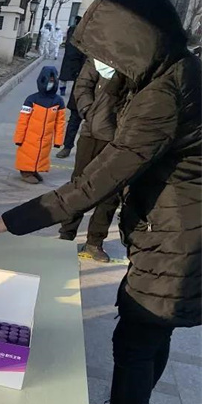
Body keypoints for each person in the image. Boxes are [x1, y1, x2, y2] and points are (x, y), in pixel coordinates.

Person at [0, 0, 201, 404]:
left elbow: (99, 178)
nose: (106, 65)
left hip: (176, 234)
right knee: (153, 331)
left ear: (133, 40)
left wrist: (9, 221)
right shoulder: (179, 71)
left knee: (137, 336)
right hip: (179, 226)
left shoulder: (163, 94)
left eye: (109, 54)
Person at [57, 58, 128, 262]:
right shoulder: (101, 57)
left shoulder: (139, 60)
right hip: (93, 133)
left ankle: (95, 242)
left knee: (111, 193)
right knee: (79, 185)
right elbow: (82, 85)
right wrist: (89, 111)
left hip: (122, 139)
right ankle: (66, 234)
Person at [14, 66, 65, 184]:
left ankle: (34, 170)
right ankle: (25, 171)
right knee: (28, 153)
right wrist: (19, 138)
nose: (50, 83)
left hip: (46, 138)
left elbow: (60, 123)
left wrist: (58, 141)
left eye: (52, 81)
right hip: (29, 137)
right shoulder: (31, 99)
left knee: (42, 154)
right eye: (48, 81)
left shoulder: (58, 101)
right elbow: (23, 120)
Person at [56, 16, 85, 158]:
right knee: (75, 116)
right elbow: (72, 53)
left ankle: (87, 151)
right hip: (83, 79)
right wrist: (76, 73)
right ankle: (67, 146)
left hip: (104, 83)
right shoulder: (81, 33)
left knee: (97, 121)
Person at [58, 16, 83, 98]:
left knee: (65, 74)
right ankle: (73, 92)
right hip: (78, 55)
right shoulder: (82, 30)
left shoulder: (72, 29)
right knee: (76, 76)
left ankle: (63, 89)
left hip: (69, 55)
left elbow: (68, 41)